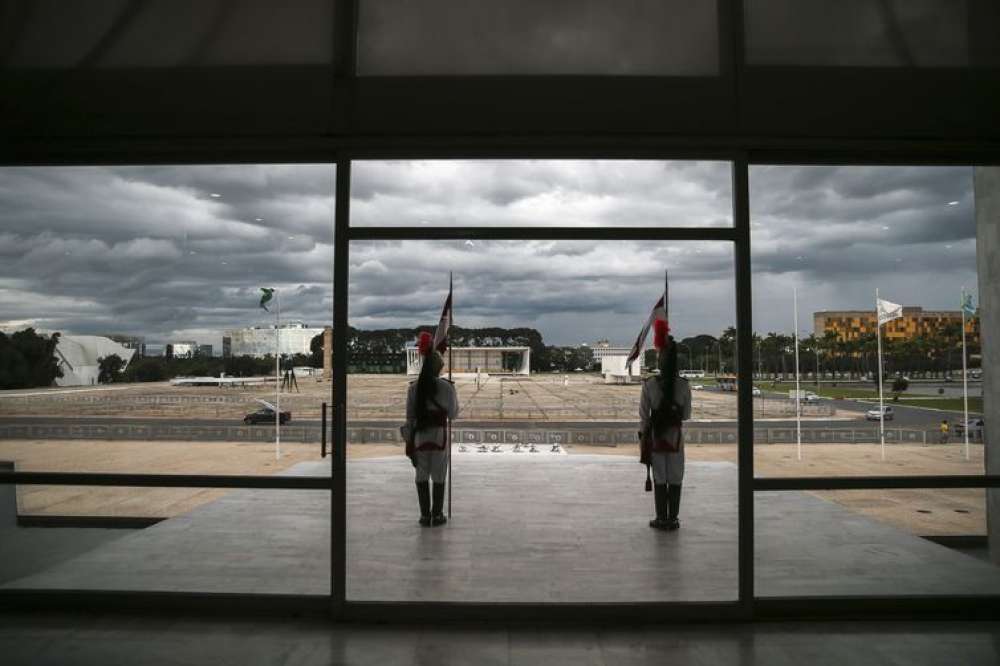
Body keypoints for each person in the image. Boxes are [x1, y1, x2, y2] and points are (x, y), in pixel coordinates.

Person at [639, 321, 692, 531]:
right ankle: (674, 518)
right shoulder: (684, 385)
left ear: (660, 360)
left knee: (660, 477)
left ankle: (661, 518)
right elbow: (686, 415)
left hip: (656, 437)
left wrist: (644, 437)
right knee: (676, 477)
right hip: (676, 437)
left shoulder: (650, 384)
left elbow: (644, 416)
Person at [406, 332, 459, 526]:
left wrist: (409, 442)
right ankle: (437, 515)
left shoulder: (413, 388)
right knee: (439, 475)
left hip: (420, 437)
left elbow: (410, 418)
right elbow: (453, 414)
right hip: (439, 438)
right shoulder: (447, 388)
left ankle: (424, 515)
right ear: (438, 368)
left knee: (421, 475)